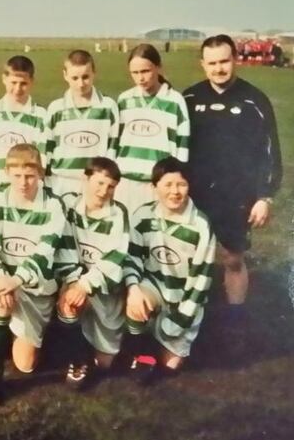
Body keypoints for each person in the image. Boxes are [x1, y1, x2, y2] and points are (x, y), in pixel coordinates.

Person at [183, 34, 282, 329]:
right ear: (202, 64)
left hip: (236, 195)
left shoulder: (254, 100)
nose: (218, 69)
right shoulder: (189, 99)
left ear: (235, 60)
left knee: (232, 259)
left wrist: (265, 197)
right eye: (212, 63)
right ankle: (185, 318)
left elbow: (270, 151)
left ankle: (234, 321)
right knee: (189, 257)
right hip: (193, 195)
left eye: (224, 61)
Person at [0, 144, 79, 405]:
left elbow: (44, 253)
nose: (24, 183)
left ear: (41, 174)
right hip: (4, 282)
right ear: (7, 173)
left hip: (35, 287)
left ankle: (22, 332)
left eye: (30, 176)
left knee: (25, 364)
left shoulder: (54, 205)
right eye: (17, 175)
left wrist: (16, 280)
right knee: (0, 301)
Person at [123, 157, 216, 384]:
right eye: (168, 185)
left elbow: (200, 282)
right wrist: (133, 289)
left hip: (183, 297)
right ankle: (140, 350)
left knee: (169, 366)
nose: (175, 191)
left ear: (189, 187)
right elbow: (132, 258)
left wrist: (179, 321)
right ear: (155, 188)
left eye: (181, 185)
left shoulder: (201, 226)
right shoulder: (142, 215)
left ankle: (165, 335)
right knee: (136, 303)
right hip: (154, 286)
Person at [57, 157, 130, 390]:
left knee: (105, 363)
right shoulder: (68, 207)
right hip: (75, 281)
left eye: (110, 186)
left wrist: (85, 285)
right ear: (85, 179)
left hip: (104, 287)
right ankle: (76, 359)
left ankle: (90, 343)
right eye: (99, 183)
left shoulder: (118, 214)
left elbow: (115, 258)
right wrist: (73, 283)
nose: (104, 191)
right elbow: (63, 250)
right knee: (68, 303)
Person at [113, 44, 189, 214]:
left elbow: (182, 146)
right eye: (135, 73)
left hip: (157, 186)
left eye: (146, 71)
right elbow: (114, 142)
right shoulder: (124, 100)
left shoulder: (175, 101)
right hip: (125, 183)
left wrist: (172, 184)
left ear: (158, 67)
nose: (141, 78)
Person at [45, 50, 119, 198]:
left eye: (85, 77)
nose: (80, 84)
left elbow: (113, 147)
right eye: (75, 78)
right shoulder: (56, 109)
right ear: (65, 75)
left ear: (94, 73)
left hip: (95, 183)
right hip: (61, 182)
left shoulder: (108, 106)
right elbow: (47, 149)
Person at [0, 55, 48, 198]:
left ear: (32, 81)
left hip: (27, 193)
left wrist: (28, 188)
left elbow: (42, 159)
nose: (17, 89)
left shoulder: (41, 116)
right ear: (4, 79)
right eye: (13, 82)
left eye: (23, 83)